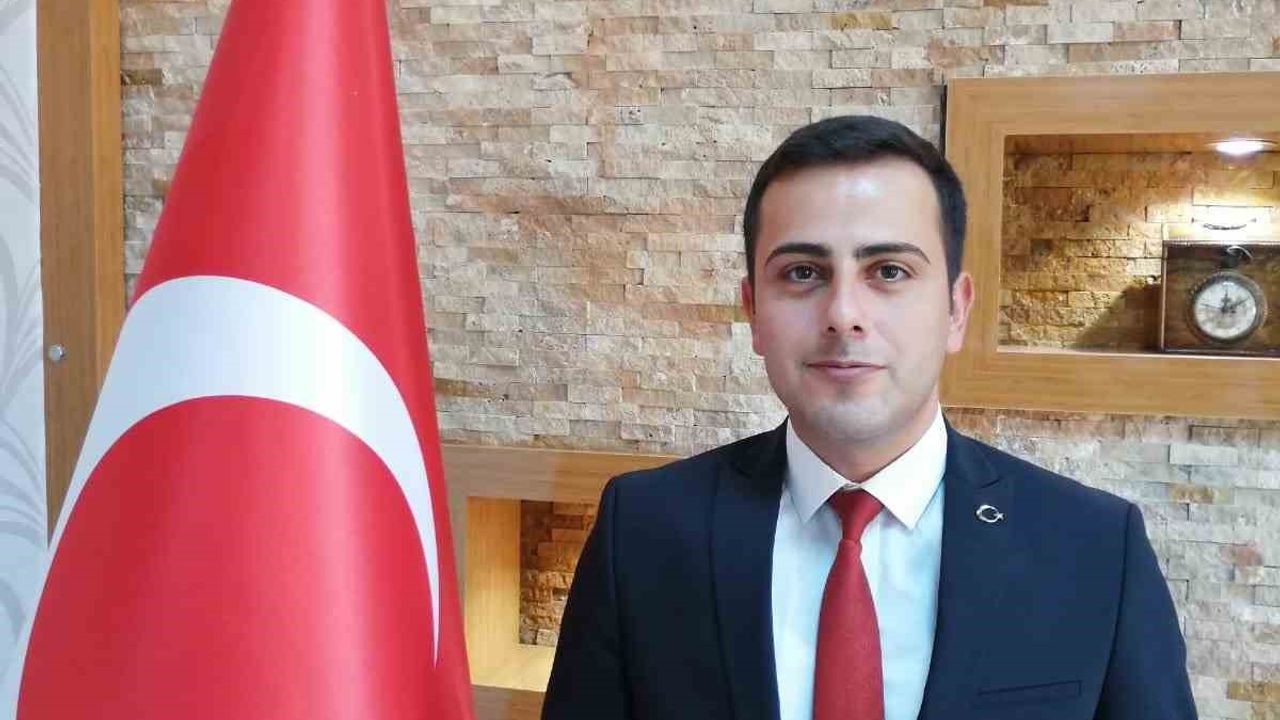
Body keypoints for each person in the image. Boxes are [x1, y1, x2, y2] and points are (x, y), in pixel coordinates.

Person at [541, 115, 1197, 720]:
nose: (843, 314)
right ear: (753, 311)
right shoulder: (643, 530)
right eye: (803, 272)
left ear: (956, 310)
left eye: (888, 270)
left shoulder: (1094, 548)